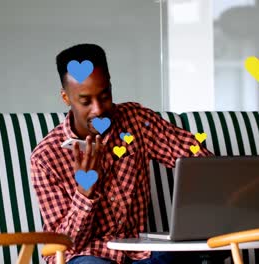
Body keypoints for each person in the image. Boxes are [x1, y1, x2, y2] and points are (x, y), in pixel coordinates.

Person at [30, 44, 228, 264]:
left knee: (211, 248)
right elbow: (65, 243)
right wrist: (84, 191)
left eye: (105, 95)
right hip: (85, 256)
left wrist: (222, 183)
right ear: (66, 98)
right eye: (85, 101)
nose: (98, 109)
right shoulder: (46, 157)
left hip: (139, 253)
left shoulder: (135, 121)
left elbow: (200, 163)